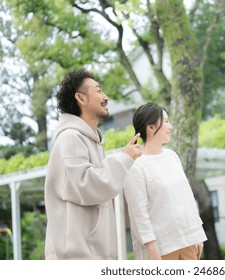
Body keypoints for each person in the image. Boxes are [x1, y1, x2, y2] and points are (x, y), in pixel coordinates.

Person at [44, 69, 141, 260]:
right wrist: (123, 159)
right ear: (80, 97)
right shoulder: (70, 138)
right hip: (76, 257)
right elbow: (86, 185)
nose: (105, 97)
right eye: (98, 91)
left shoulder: (90, 141)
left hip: (91, 254)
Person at [123, 102, 207, 260]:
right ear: (151, 127)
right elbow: (138, 213)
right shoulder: (136, 166)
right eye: (166, 121)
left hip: (188, 241)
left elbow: (186, 197)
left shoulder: (172, 156)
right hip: (161, 249)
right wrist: (151, 248)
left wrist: (197, 234)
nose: (171, 127)